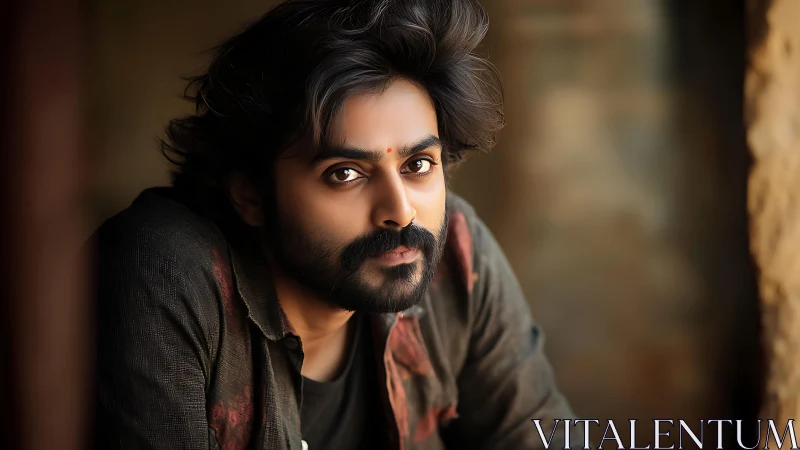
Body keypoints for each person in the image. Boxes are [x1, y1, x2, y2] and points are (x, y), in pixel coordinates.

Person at [91, 0, 583, 449]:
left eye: (417, 165)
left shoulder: (455, 249)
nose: (401, 211)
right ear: (250, 194)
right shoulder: (163, 271)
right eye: (345, 174)